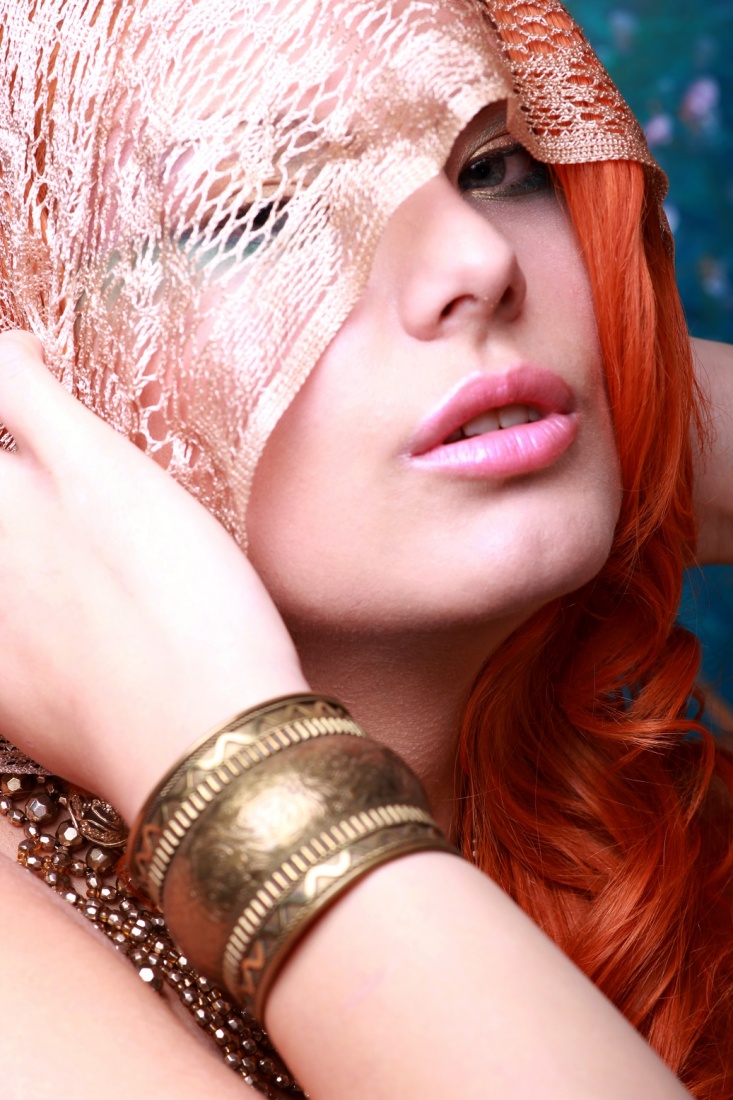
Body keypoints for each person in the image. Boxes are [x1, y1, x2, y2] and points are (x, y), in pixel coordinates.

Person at [0, 1, 731, 1098]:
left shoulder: (633, 798)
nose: (477, 259)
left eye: (494, 165)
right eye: (250, 213)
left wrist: (658, 402)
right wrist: (231, 767)